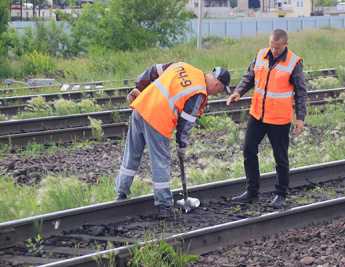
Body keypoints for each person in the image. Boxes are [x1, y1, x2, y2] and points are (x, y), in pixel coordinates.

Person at [115, 62, 231, 218]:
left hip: (141, 107)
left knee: (131, 155)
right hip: (158, 119)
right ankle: (164, 206)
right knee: (161, 161)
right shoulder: (199, 92)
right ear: (217, 84)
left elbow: (153, 70)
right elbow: (186, 122)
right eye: (218, 91)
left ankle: (121, 193)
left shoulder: (183, 66)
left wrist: (139, 87)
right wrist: (182, 145)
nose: (215, 94)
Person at [227, 29, 307, 209]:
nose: (273, 50)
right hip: (258, 115)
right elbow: (249, 76)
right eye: (271, 46)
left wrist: (300, 118)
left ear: (285, 45)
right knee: (248, 150)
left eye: (277, 48)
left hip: (279, 119)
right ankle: (252, 191)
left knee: (280, 157)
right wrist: (238, 92)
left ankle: (280, 194)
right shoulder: (261, 54)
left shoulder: (293, 62)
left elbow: (301, 93)